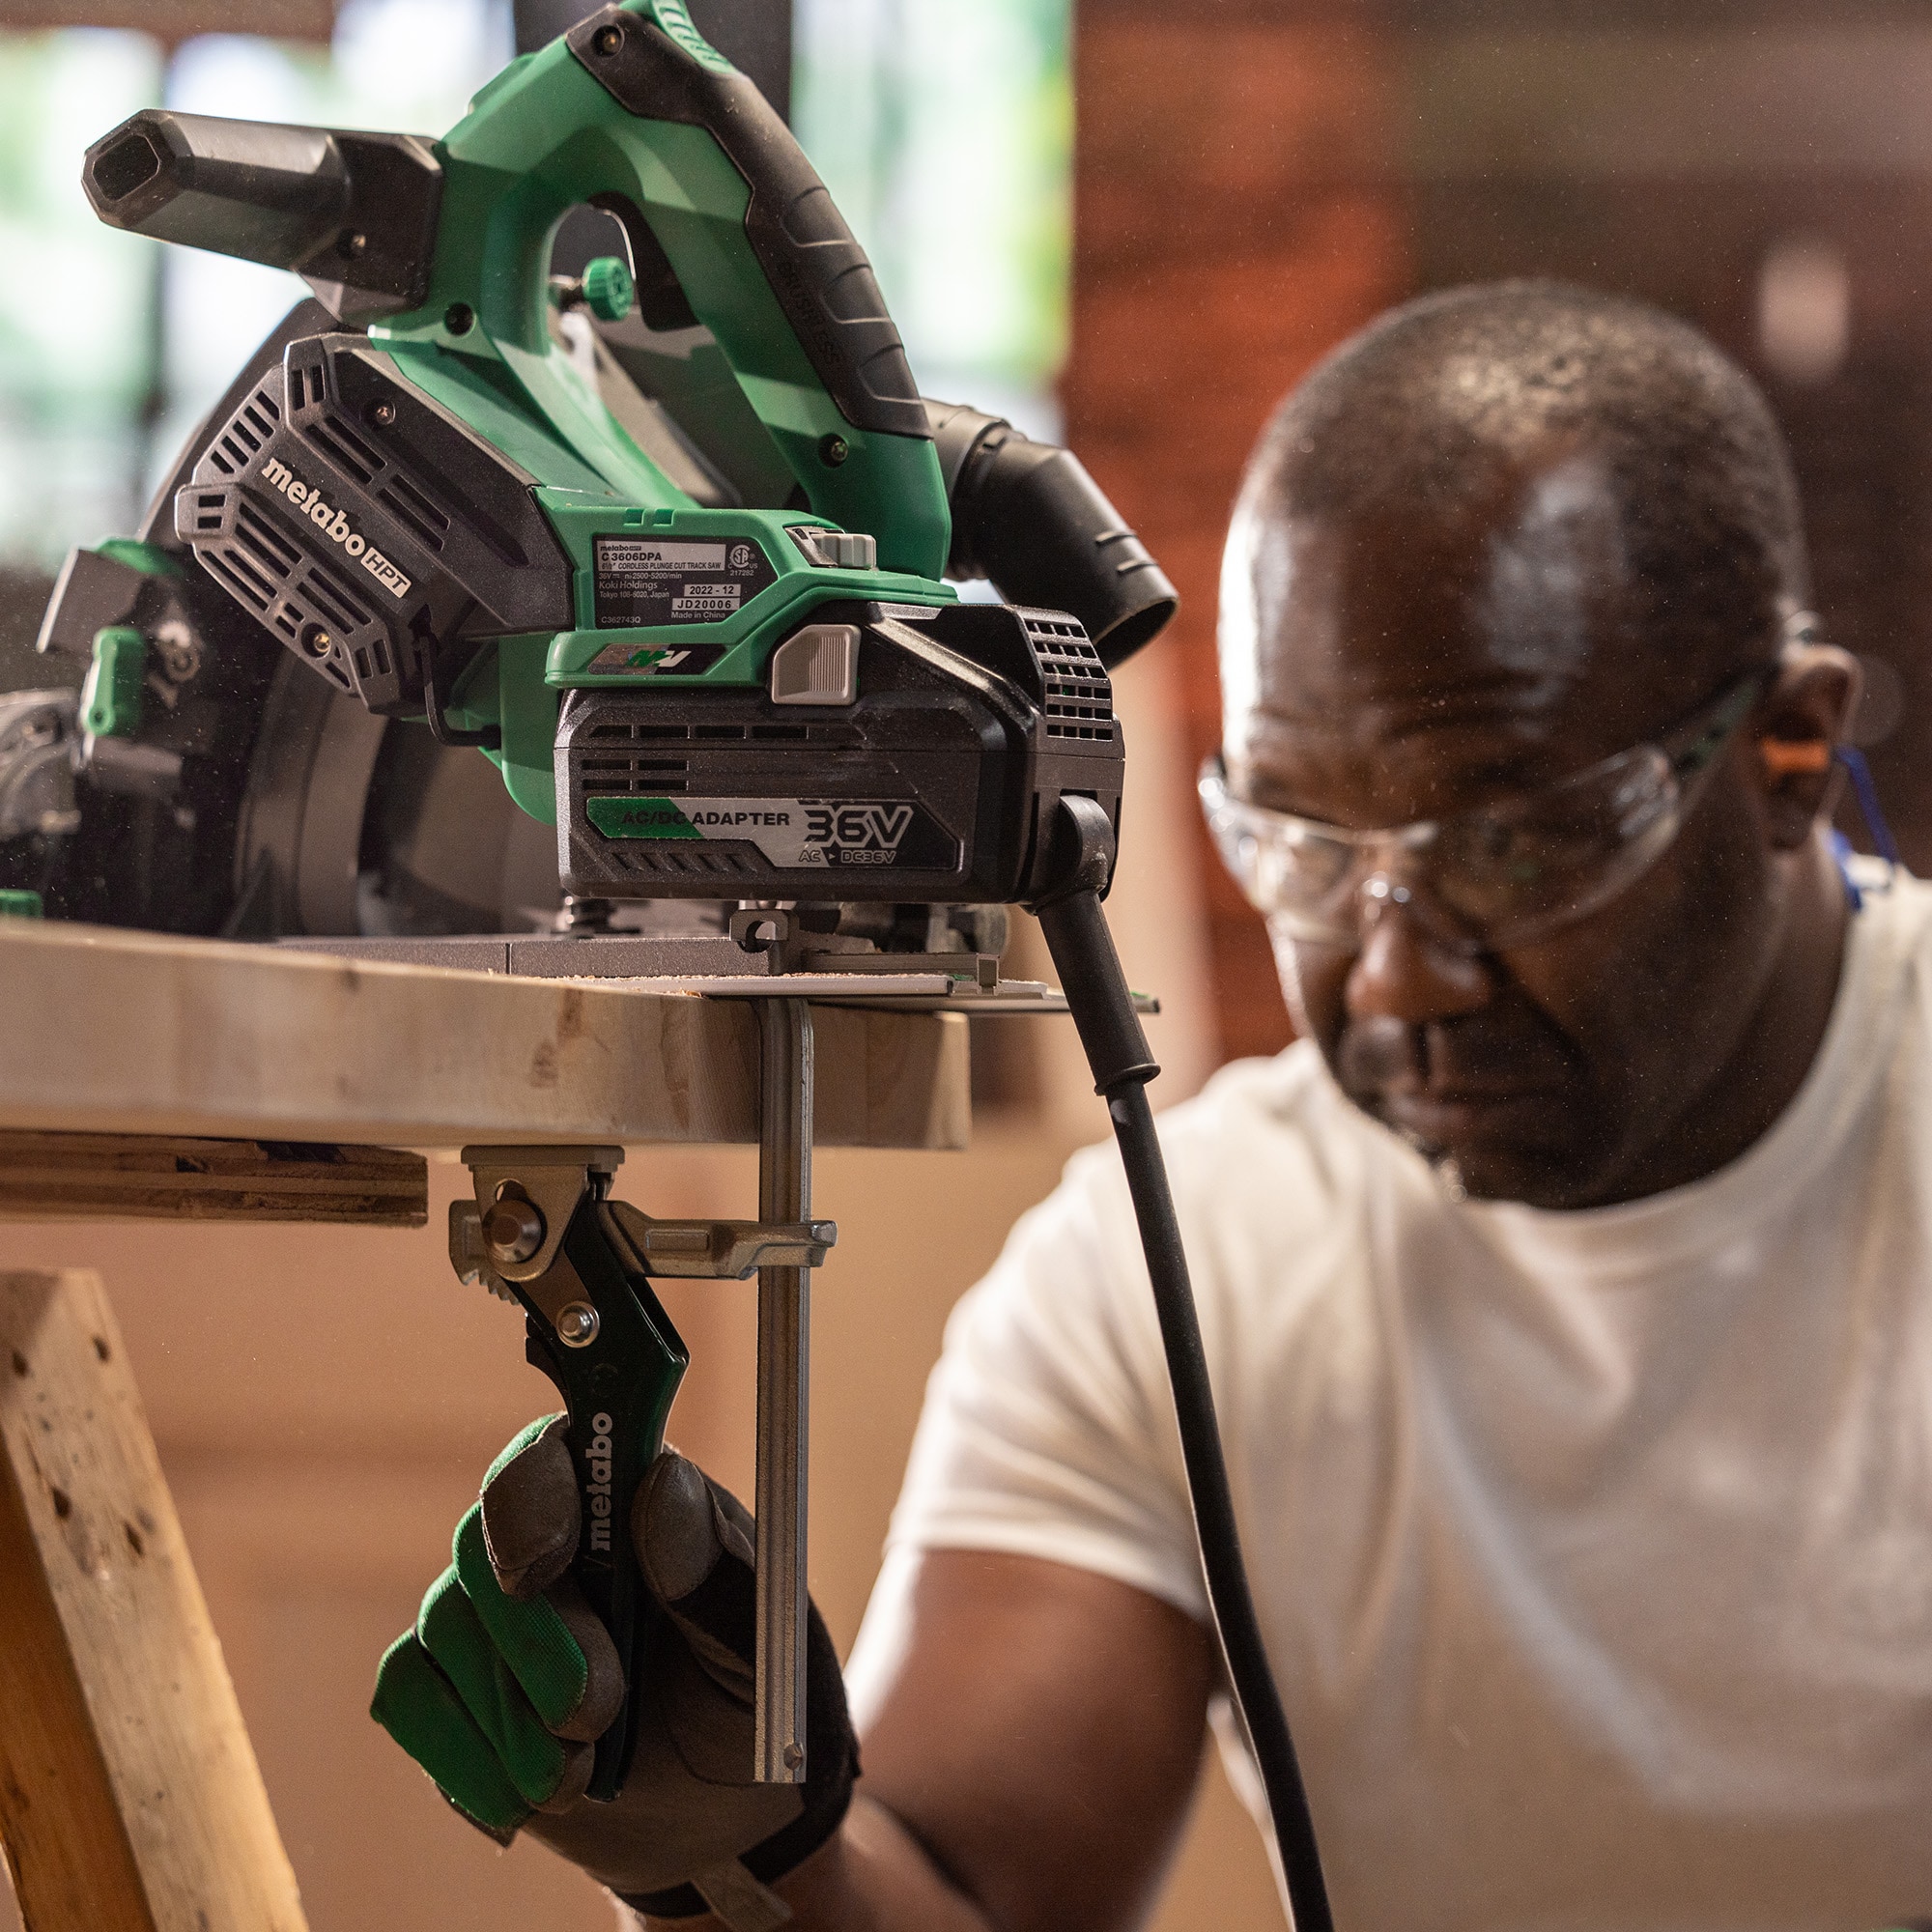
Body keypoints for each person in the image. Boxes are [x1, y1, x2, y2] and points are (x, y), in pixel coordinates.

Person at [373, 281, 1932, 1931]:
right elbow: (973, 1893)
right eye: (1307, 856)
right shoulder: (1186, 1265)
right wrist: (755, 1858)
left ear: (1789, 757)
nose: (1396, 980)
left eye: (1511, 846)